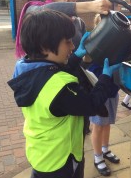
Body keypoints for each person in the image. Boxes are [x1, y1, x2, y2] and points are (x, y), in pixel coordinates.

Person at [7, 10, 121, 178]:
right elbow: (91, 104)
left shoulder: (25, 68)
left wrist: (76, 57)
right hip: (62, 160)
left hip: (41, 154)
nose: (73, 46)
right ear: (45, 46)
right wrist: (104, 78)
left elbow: (49, 73)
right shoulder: (59, 86)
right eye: (68, 42)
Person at [87, 14, 120, 176]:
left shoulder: (117, 44)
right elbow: (89, 68)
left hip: (112, 90)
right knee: (98, 125)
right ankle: (97, 156)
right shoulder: (94, 45)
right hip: (99, 91)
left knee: (107, 124)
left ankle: (105, 150)